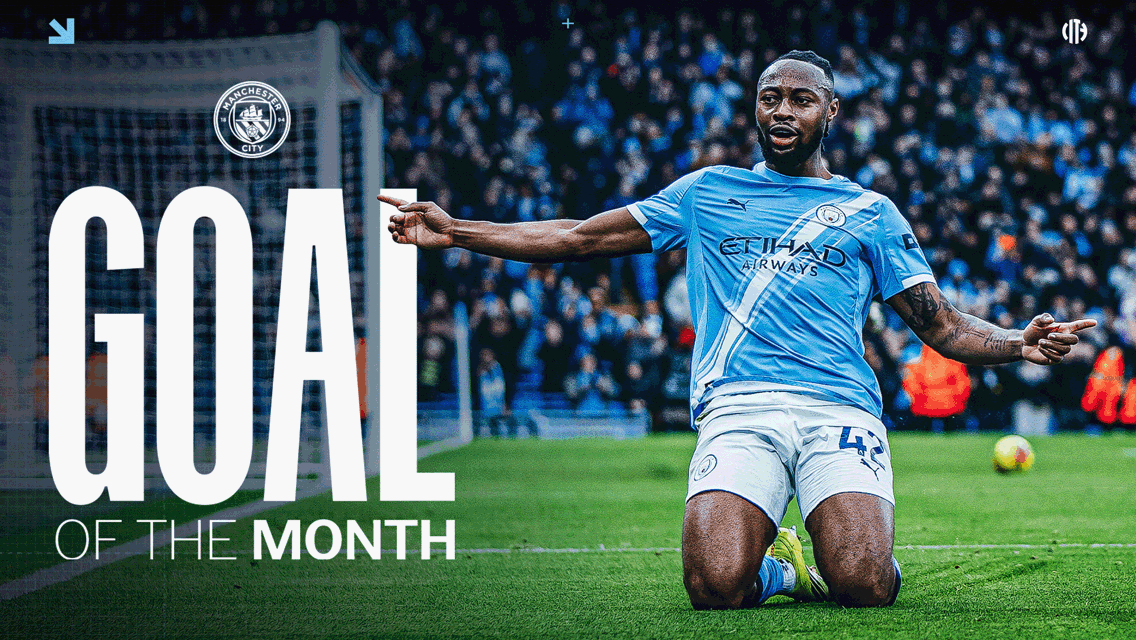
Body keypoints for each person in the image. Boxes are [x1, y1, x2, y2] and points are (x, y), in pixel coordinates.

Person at [379, 50, 1095, 609]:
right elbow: (577, 237)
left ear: (830, 112)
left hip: (837, 407)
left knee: (867, 586)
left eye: (800, 99)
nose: (782, 110)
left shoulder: (871, 212)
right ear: (757, 108)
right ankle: (780, 569)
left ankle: (830, 556)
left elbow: (939, 326)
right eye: (770, 97)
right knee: (715, 587)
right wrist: (461, 232)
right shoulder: (707, 191)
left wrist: (1015, 341)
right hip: (739, 406)